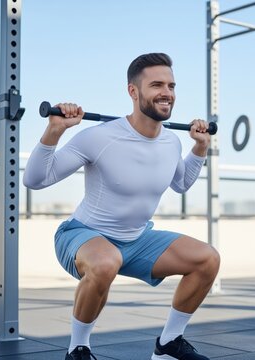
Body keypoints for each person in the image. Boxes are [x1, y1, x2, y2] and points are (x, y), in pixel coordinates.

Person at [23, 53, 220, 360]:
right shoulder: (100, 137)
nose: (166, 92)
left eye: (171, 85)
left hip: (137, 239)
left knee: (207, 259)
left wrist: (200, 148)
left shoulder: (172, 142)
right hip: (82, 235)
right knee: (105, 263)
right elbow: (36, 179)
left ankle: (169, 344)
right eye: (156, 84)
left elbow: (181, 184)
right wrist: (55, 130)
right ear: (133, 91)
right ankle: (79, 348)